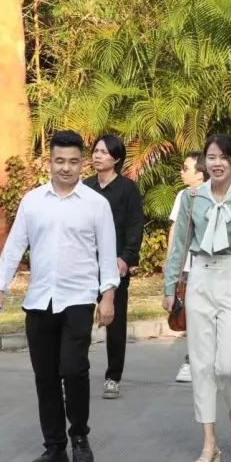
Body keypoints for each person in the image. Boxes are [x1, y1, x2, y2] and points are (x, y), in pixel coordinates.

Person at [0, 130, 119, 462]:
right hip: (39, 301)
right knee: (45, 377)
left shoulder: (96, 205)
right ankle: (54, 445)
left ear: (82, 163)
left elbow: (107, 255)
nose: (66, 168)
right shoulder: (32, 201)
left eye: (73, 162)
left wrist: (107, 296)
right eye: (59, 161)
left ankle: (79, 437)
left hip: (78, 299)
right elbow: (15, 247)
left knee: (74, 370)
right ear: (50, 162)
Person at [162, 134, 231, 462]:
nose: (217, 163)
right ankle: (209, 443)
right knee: (202, 365)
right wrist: (169, 287)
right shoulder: (191, 197)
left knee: (227, 366)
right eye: (211, 157)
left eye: (223, 157)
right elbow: (179, 246)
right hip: (200, 280)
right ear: (205, 162)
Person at [83, 134, 145, 400]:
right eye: (96, 151)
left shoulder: (128, 189)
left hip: (115, 265)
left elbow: (135, 226)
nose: (97, 156)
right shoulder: (85, 187)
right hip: (86, 266)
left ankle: (113, 377)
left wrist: (126, 258)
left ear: (116, 158)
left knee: (115, 324)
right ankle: (75, 374)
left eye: (104, 152)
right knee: (79, 321)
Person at [169, 151, 209, 384]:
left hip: (209, 268)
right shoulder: (184, 196)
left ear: (200, 173)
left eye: (186, 168)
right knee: (190, 316)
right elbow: (177, 232)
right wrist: (170, 264)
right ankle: (191, 361)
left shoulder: (217, 195)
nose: (181, 172)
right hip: (186, 267)